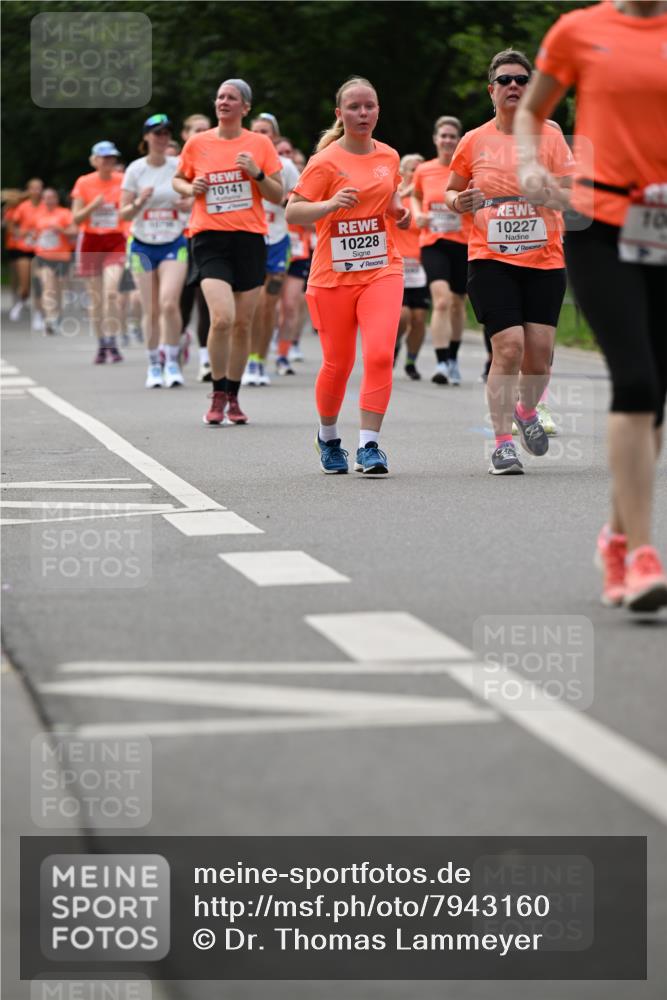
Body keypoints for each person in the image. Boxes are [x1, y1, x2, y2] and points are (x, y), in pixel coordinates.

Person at [514, 0, 667, 610]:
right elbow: (532, 110)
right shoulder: (580, 30)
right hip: (600, 223)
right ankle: (642, 556)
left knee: (654, 393)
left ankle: (615, 538)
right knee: (632, 379)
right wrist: (529, 161)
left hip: (661, 226)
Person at [445, 50, 573, 474]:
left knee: (539, 356)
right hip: (490, 257)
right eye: (505, 80)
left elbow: (573, 196)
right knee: (509, 347)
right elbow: (452, 189)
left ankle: (525, 410)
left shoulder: (550, 136)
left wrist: (548, 194)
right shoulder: (474, 140)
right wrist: (457, 200)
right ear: (492, 90)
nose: (513, 86)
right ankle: (502, 445)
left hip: (544, 258)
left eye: (521, 79)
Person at [286, 76, 410, 476]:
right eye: (354, 107)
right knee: (337, 364)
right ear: (340, 114)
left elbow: (388, 199)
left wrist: (398, 212)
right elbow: (293, 212)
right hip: (332, 275)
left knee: (378, 354)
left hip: (382, 269)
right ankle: (328, 437)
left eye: (369, 106)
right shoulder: (324, 162)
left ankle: (369, 445)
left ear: (378, 111)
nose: (363, 113)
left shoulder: (389, 156)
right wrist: (328, 205)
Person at [173, 79, 283, 425]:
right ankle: (217, 392)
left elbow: (278, 194)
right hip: (208, 238)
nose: (223, 101)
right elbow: (177, 179)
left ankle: (234, 396)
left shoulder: (260, 143)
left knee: (243, 323)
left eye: (231, 98)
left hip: (248, 238)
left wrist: (257, 173)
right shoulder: (198, 142)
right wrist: (190, 187)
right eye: (220, 96)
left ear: (245, 107)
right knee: (223, 317)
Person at [121, 114, 189, 388]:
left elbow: (196, 196)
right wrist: (140, 200)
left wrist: (189, 203)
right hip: (143, 244)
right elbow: (125, 213)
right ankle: (153, 365)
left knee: (169, 303)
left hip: (174, 241)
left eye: (166, 133)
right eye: (157, 133)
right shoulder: (135, 170)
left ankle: (172, 361)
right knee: (150, 308)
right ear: (146, 137)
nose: (162, 138)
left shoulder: (179, 165)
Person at [412, 117, 470, 385]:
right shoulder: (423, 170)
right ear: (435, 139)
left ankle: (454, 359)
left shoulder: (467, 169)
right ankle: (441, 362)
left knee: (458, 305)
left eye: (452, 136)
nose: (447, 141)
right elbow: (415, 196)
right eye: (443, 136)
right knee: (442, 300)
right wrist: (417, 214)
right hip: (433, 242)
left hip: (463, 242)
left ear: (458, 141)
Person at [243, 113, 301, 384]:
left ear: (275, 137)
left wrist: (286, 201)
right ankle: (244, 359)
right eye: (256, 131)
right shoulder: (240, 162)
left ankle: (259, 361)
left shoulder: (286, 167)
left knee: (268, 305)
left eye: (266, 131)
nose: (261, 136)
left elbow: (302, 201)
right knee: (248, 307)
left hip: (277, 242)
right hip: (248, 240)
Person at [71, 142, 127, 363]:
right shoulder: (84, 183)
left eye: (112, 158)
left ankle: (112, 340)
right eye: (104, 158)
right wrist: (93, 206)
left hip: (115, 240)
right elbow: (76, 218)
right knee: (96, 298)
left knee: (111, 293)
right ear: (94, 160)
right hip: (91, 241)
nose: (108, 162)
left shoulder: (122, 181)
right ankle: (102, 343)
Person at [178, 113, 213, 382]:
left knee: (205, 300)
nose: (201, 133)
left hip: (201, 237)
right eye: (196, 129)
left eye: (205, 129)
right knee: (180, 301)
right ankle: (177, 341)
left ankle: (205, 359)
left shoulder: (215, 159)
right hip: (173, 241)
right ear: (185, 134)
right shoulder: (173, 163)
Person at [393, 153, 429, 380]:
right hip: (396, 265)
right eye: (412, 170)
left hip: (420, 267)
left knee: (418, 319)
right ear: (402, 173)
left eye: (420, 170)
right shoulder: (395, 198)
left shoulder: (423, 201)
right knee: (402, 316)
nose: (416, 174)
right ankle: (394, 347)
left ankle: (411, 360)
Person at [34, 188, 76, 335]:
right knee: (48, 286)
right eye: (46, 197)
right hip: (43, 256)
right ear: (42, 200)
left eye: (52, 197)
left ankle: (57, 315)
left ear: (57, 199)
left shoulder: (64, 213)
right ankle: (49, 318)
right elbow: (31, 234)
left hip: (62, 257)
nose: (49, 200)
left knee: (58, 289)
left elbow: (75, 232)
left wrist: (62, 230)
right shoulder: (37, 214)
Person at [9, 178, 44, 327]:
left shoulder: (45, 207)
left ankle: (37, 314)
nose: (36, 191)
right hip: (23, 249)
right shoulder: (22, 207)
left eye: (39, 188)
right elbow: (12, 226)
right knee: (25, 285)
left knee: (38, 283)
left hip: (40, 250)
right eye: (33, 188)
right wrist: (20, 233)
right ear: (28, 190)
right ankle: (21, 302)